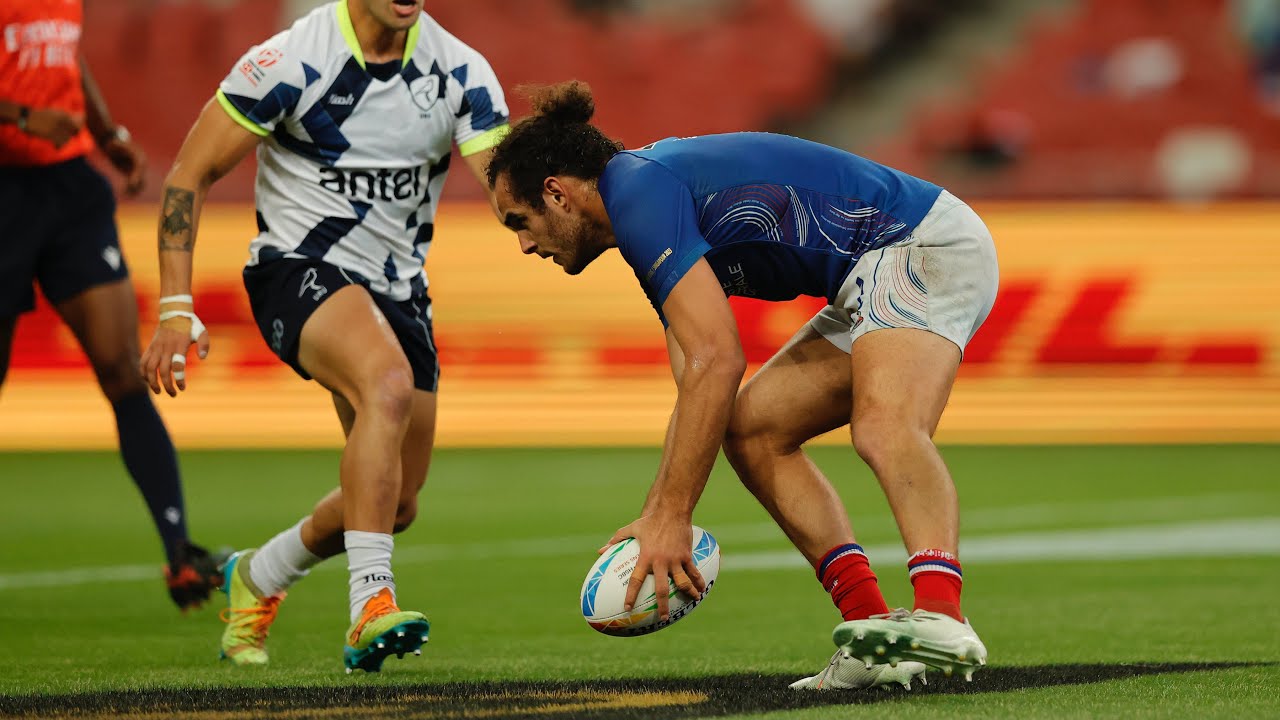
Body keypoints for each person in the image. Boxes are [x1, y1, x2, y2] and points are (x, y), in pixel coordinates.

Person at [486, 82, 995, 690]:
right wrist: (658, 515)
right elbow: (700, 385)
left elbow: (718, 359)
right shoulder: (640, 208)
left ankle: (942, 613)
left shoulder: (640, 194)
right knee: (752, 430)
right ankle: (871, 634)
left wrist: (670, 517)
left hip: (916, 244)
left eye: (520, 221)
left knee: (885, 425)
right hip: (871, 270)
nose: (522, 244)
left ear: (557, 194)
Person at [140, 0, 509, 673]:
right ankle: (371, 603)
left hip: (401, 294)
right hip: (296, 270)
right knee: (387, 384)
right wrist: (173, 305)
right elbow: (187, 176)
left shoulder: (462, 73)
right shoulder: (288, 61)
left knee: (395, 505)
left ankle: (258, 573)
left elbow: (505, 192)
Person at [0, 0, 223, 612]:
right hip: (4, 192)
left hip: (69, 189)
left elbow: (66, 58)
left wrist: (105, 133)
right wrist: (20, 114)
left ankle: (180, 553)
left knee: (123, 369)